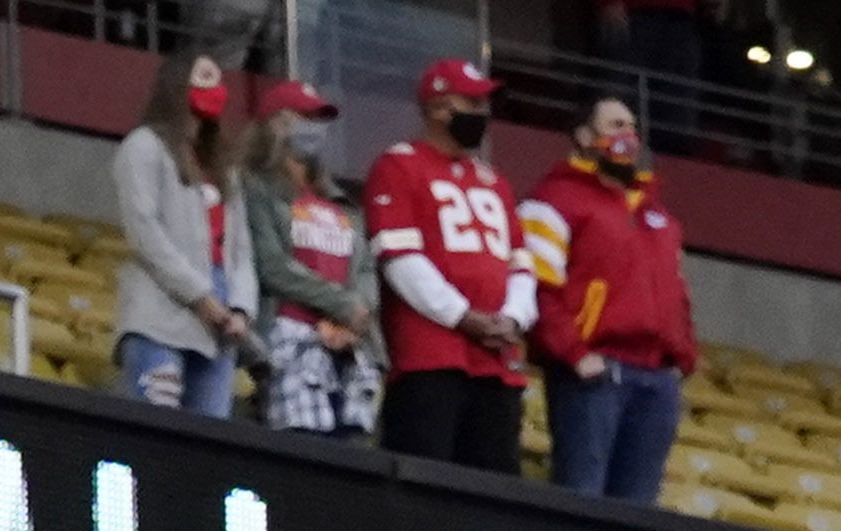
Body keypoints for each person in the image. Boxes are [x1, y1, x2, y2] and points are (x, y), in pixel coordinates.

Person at [366, 55, 538, 476]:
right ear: (439, 108)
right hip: (430, 357)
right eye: (473, 104)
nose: (483, 114)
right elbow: (400, 259)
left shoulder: (495, 181)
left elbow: (522, 264)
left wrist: (512, 319)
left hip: (497, 362)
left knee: (494, 491)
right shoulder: (399, 165)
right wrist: (462, 316)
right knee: (424, 483)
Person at [529, 95, 696, 503]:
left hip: (656, 381)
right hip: (595, 376)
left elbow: (677, 292)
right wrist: (574, 353)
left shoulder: (658, 216)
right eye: (615, 125)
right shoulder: (553, 202)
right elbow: (539, 289)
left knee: (637, 519)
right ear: (584, 136)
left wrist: (684, 355)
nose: (627, 136)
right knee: (582, 504)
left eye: (631, 126)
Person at [109, 58, 248, 416]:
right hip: (160, 313)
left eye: (218, 83)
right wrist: (200, 296)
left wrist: (241, 308)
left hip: (219, 329)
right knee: (158, 436)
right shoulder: (143, 146)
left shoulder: (225, 168)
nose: (214, 91)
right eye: (203, 79)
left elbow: (242, 252)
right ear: (176, 86)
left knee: (207, 446)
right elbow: (144, 232)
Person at [240, 79, 375, 435]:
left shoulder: (339, 200)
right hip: (288, 336)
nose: (314, 128)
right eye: (303, 117)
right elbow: (272, 265)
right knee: (303, 447)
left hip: (345, 345)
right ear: (276, 123)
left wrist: (353, 318)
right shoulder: (255, 187)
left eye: (318, 119)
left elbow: (364, 268)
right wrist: (342, 305)